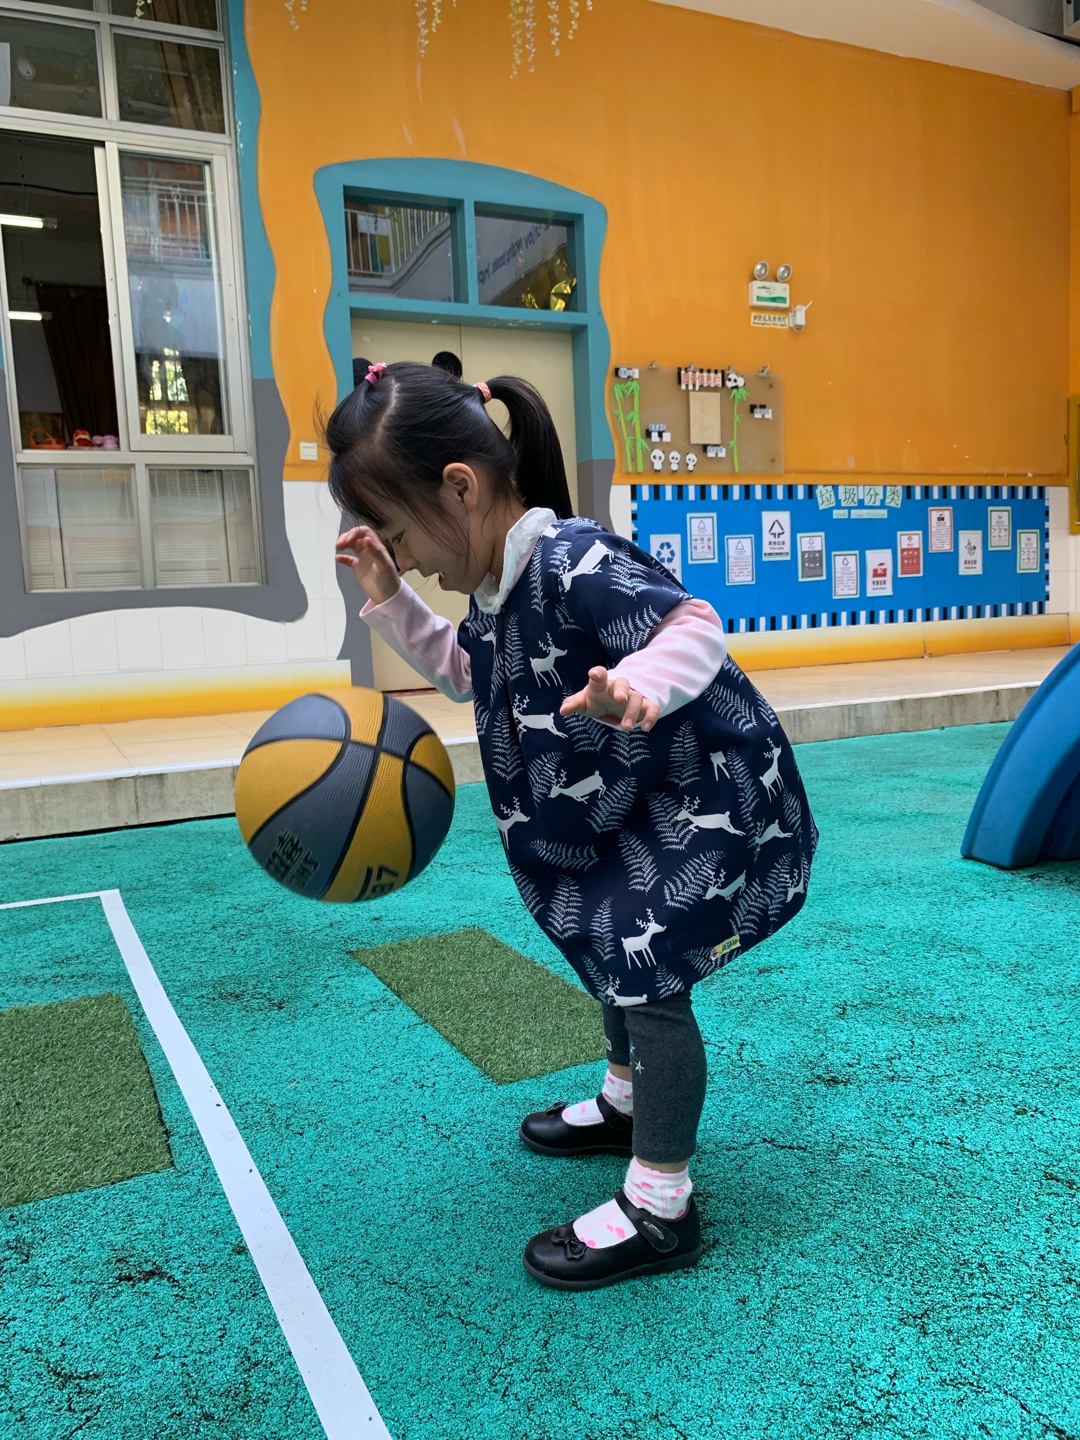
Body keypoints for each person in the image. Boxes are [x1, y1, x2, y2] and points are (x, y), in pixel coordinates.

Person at [329, 360, 817, 1290]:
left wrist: (637, 682)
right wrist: (391, 596)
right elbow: (470, 673)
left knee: (649, 976)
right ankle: (626, 1101)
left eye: (400, 533)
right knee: (604, 935)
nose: (411, 556)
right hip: (613, 814)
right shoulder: (495, 589)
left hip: (692, 803)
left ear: (461, 488)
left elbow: (694, 624)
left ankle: (662, 1204)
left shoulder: (574, 560)